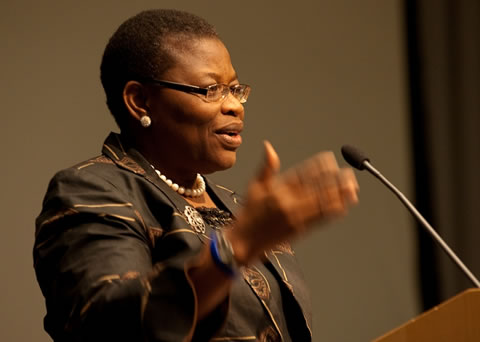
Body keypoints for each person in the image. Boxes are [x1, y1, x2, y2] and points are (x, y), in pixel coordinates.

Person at [34, 9, 359, 342]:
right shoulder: (91, 190)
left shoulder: (239, 207)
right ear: (140, 101)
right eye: (211, 90)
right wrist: (240, 244)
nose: (235, 106)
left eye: (235, 89)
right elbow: (110, 324)